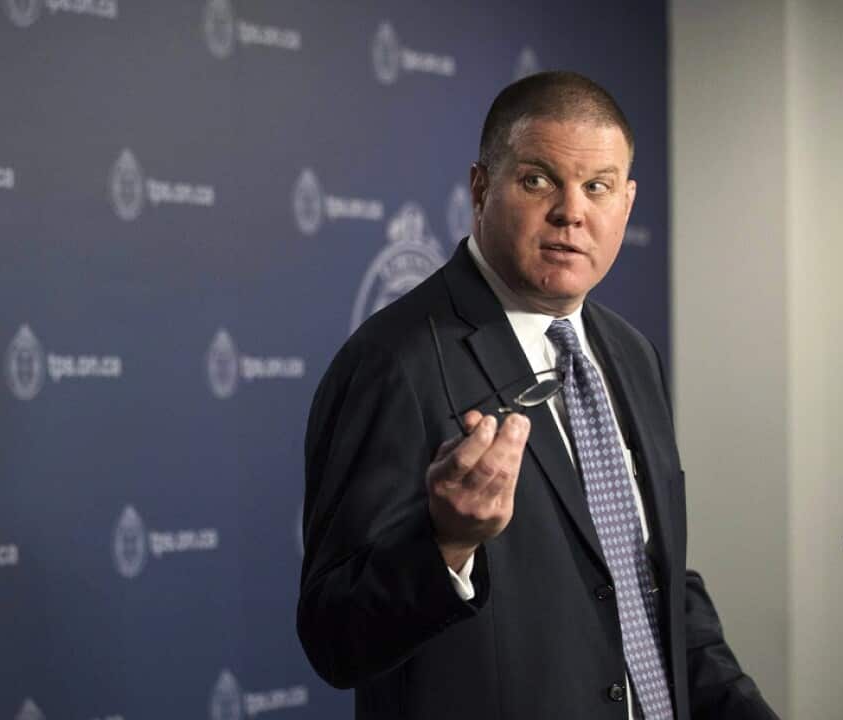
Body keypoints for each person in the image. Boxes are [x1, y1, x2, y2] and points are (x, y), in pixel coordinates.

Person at [297, 71, 777, 719]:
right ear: (480, 188)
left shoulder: (631, 354)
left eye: (597, 187)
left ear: (626, 204)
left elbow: (648, 584)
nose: (571, 211)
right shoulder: (393, 362)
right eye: (538, 180)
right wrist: (447, 543)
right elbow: (334, 638)